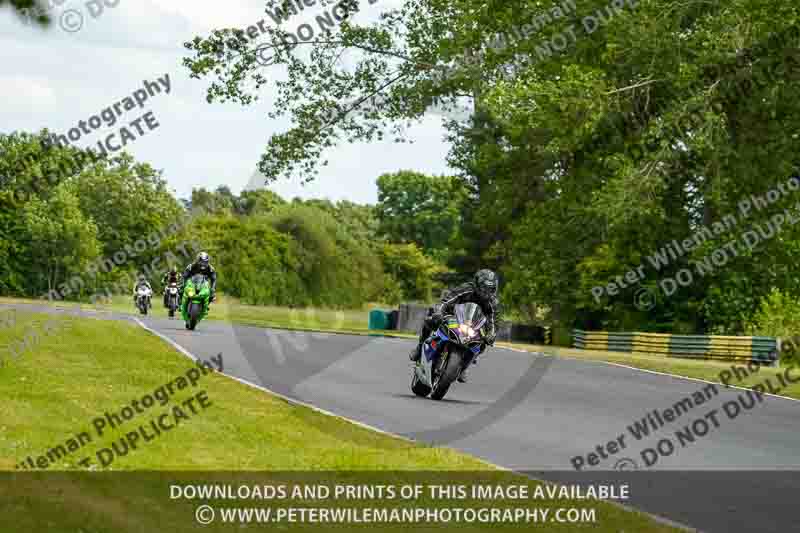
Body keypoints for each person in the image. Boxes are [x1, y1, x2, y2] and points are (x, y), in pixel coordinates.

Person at [409, 269, 501, 382]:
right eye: (484, 288)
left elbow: (494, 321)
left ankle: (463, 367)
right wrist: (439, 311)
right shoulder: (466, 289)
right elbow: (446, 301)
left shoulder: (493, 303)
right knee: (431, 318)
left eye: (490, 289)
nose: (486, 292)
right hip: (453, 317)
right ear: (477, 284)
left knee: (482, 343)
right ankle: (420, 347)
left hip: (475, 327)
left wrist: (491, 334)